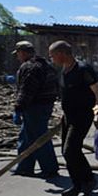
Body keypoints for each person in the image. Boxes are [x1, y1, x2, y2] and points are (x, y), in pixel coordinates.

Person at [49, 40, 98, 196]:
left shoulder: (83, 69)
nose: (51, 59)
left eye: (52, 56)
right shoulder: (64, 70)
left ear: (61, 54)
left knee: (70, 150)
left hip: (82, 115)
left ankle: (89, 180)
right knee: (66, 152)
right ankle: (76, 185)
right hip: (68, 116)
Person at [12, 41, 60, 178]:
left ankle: (50, 169)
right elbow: (57, 87)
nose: (17, 57)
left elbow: (26, 91)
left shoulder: (30, 67)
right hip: (46, 105)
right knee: (26, 137)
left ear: (23, 52)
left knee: (39, 138)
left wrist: (18, 109)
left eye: (18, 54)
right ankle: (25, 167)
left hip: (34, 107)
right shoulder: (47, 66)